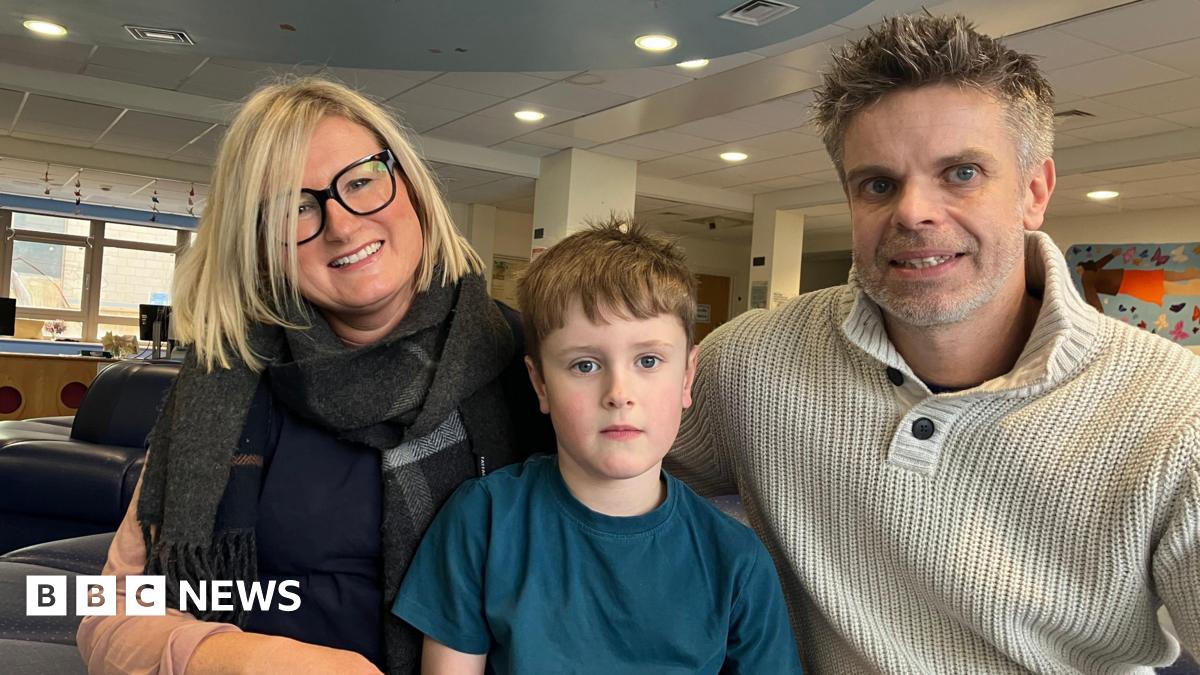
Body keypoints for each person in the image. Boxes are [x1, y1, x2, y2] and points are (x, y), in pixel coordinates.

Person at [668, 14, 1200, 674]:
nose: (913, 211)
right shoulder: (747, 363)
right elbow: (613, 489)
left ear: (1034, 192)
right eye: (879, 183)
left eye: (962, 173)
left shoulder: (1177, 411)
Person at [76, 77, 550, 675]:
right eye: (294, 207)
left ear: (410, 185)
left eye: (361, 181)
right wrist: (247, 661)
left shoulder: (534, 365)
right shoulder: (222, 385)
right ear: (257, 243)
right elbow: (110, 612)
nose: (343, 225)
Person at [392, 222, 802, 674]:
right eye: (585, 365)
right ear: (540, 384)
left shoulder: (736, 560)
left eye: (648, 360)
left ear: (686, 378)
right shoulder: (483, 522)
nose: (618, 392)